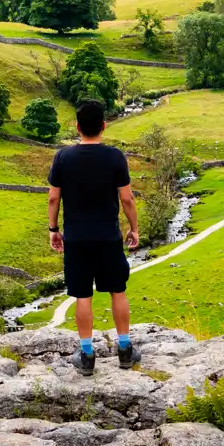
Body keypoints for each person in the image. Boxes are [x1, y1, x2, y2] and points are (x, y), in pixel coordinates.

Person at [47, 98, 140, 375]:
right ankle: (124, 350)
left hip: (76, 239)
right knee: (118, 291)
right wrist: (133, 228)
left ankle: (87, 355)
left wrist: (54, 230)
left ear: (77, 127)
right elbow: (127, 198)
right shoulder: (114, 157)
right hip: (109, 237)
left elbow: (54, 198)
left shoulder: (63, 157)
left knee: (83, 296)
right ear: (103, 125)